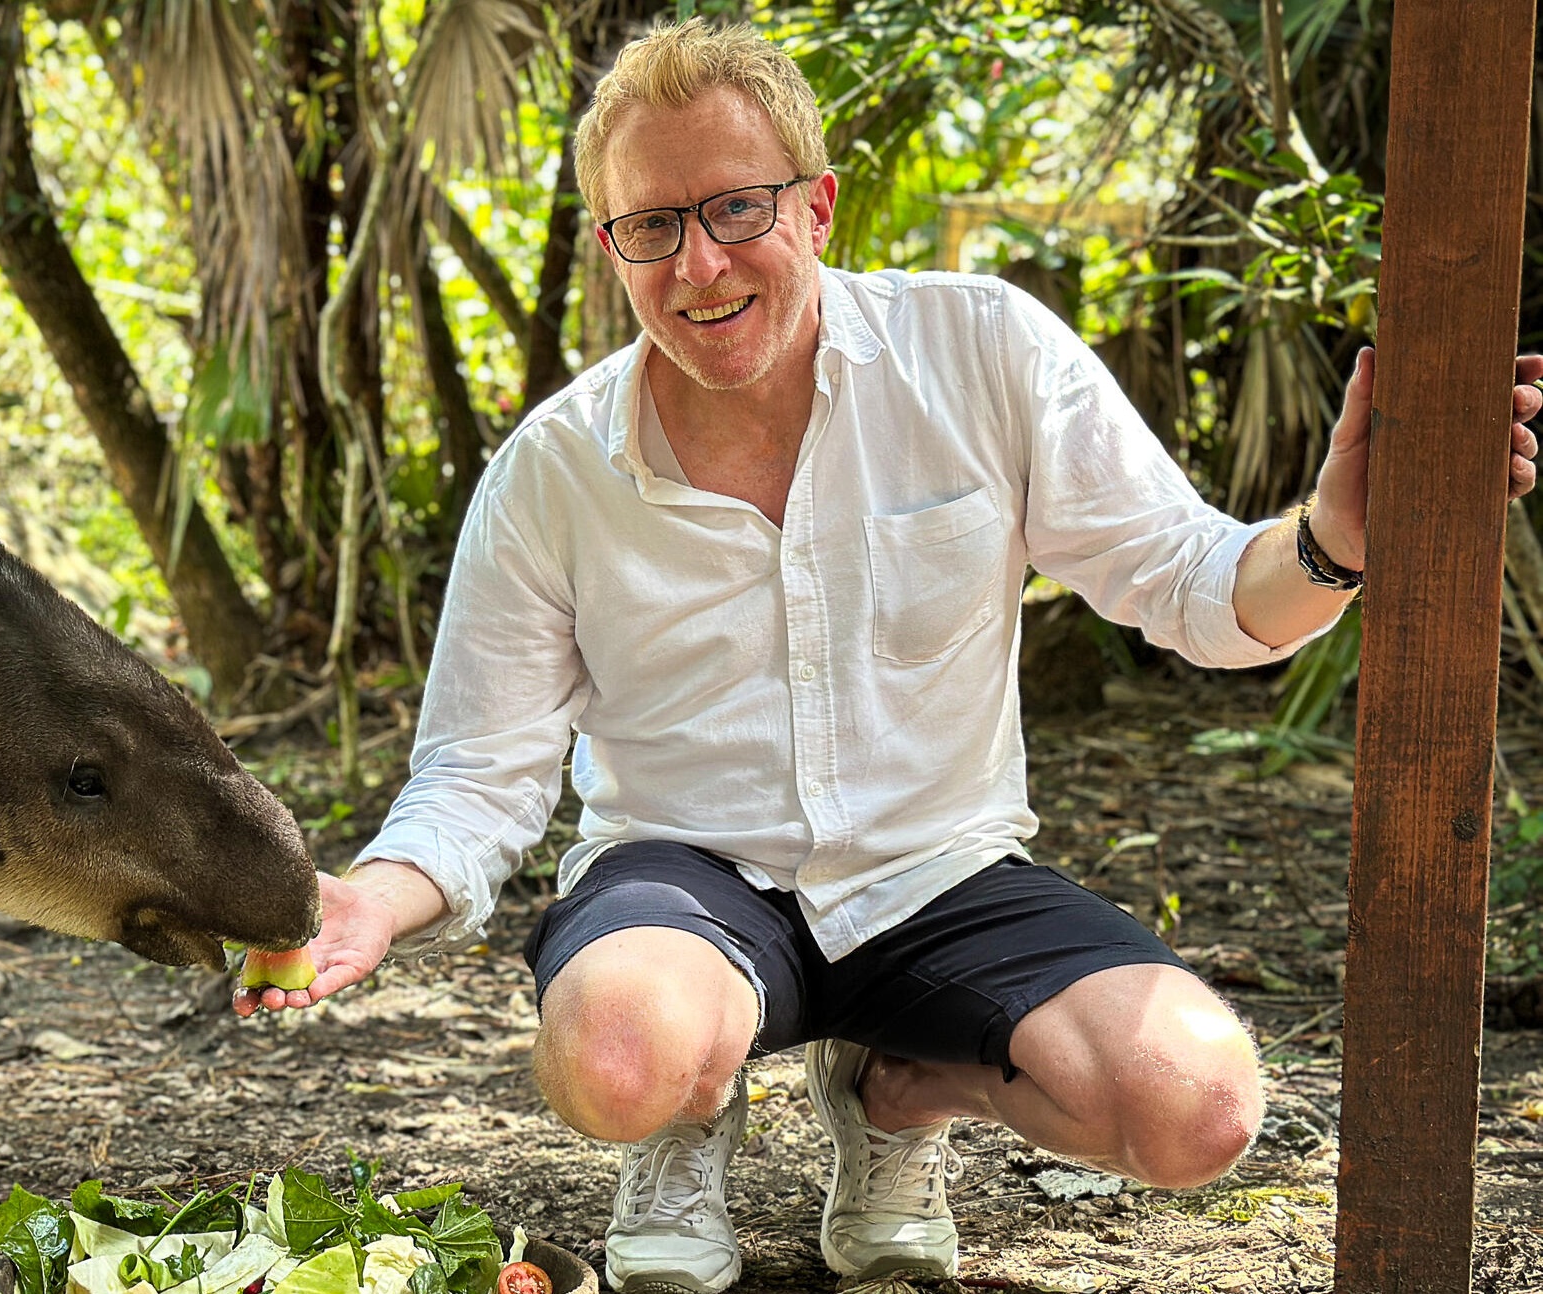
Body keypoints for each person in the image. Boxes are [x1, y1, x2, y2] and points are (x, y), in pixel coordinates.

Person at [235, 16, 1543, 1289]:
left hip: (939, 870)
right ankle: (690, 1113)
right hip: (691, 883)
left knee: (1195, 1107)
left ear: (818, 207)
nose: (699, 265)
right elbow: (479, 776)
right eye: (654, 225)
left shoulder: (981, 352)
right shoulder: (552, 474)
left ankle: (897, 1089)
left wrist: (1332, 536)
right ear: (610, 245)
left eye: (737, 208)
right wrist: (367, 900)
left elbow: (1196, 589)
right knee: (619, 1056)